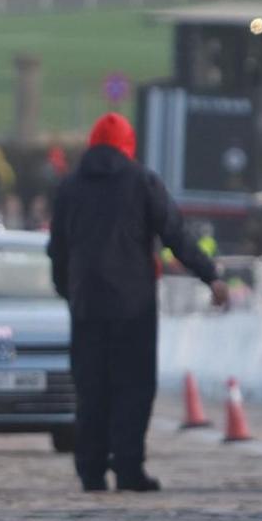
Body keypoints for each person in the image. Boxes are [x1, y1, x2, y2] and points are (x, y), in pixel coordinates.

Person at [48, 112, 227, 493]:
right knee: (133, 388)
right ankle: (129, 469)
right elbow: (176, 235)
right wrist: (210, 275)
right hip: (134, 306)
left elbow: (57, 252)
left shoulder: (70, 188)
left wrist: (70, 292)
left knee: (91, 388)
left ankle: (91, 471)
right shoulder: (143, 182)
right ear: (128, 145)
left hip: (87, 307)